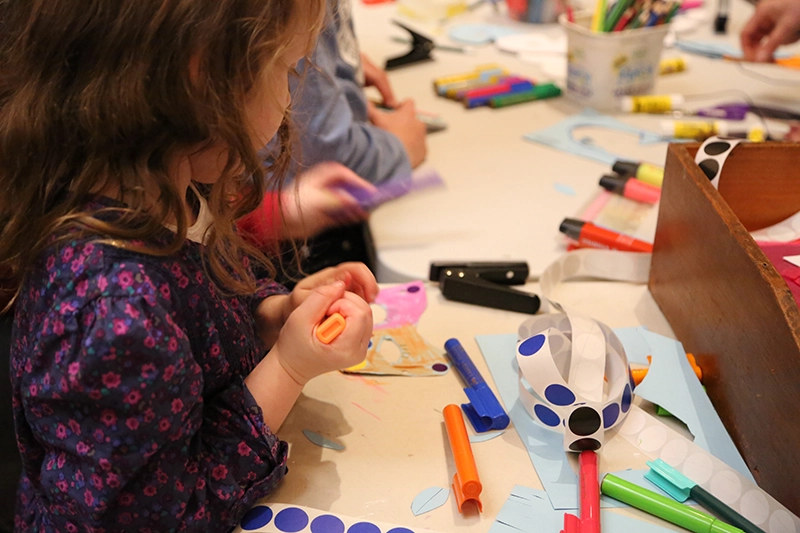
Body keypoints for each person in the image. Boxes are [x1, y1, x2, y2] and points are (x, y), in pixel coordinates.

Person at [0, 1, 378, 531]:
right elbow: (167, 514)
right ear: (204, 80)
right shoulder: (114, 311)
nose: (291, 94)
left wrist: (275, 315)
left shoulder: (167, 193)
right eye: (288, 70)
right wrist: (290, 367)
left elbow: (202, 316)